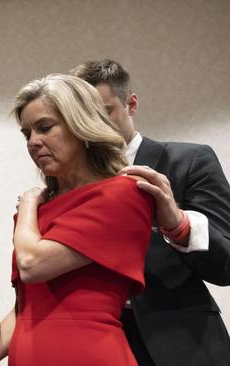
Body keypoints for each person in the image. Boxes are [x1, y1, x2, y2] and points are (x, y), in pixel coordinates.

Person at [70, 59, 230, 366]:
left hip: (181, 342)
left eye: (105, 113)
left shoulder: (190, 161)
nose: (93, 127)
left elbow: (227, 265)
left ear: (131, 104)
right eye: (83, 117)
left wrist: (180, 224)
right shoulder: (68, 179)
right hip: (92, 342)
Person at [0, 74, 155, 365]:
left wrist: (28, 204)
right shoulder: (38, 212)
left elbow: (32, 264)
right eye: (27, 133)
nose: (33, 142)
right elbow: (22, 312)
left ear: (81, 126)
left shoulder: (123, 194)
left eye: (45, 128)